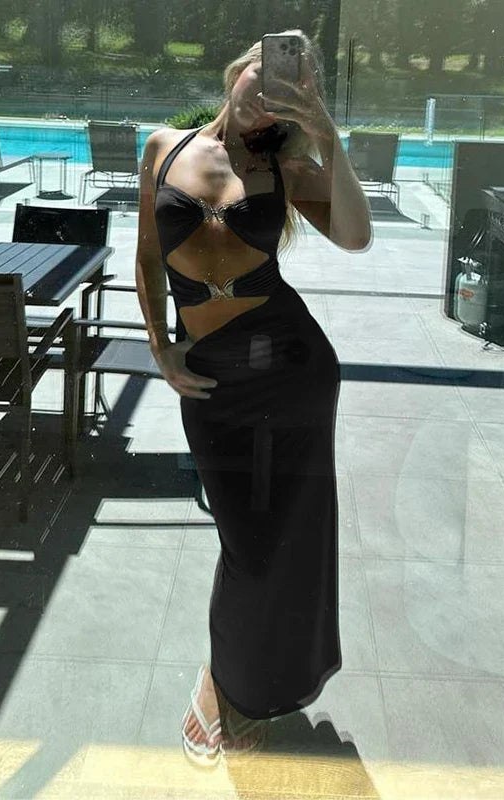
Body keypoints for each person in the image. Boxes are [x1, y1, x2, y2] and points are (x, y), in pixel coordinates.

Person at [134, 29, 372, 765]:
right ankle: (231, 678)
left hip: (291, 367)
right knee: (245, 539)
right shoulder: (163, 148)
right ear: (237, 71)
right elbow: (147, 255)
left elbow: (356, 236)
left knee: (287, 536)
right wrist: (160, 346)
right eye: (260, 81)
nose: (264, 100)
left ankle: (232, 686)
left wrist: (327, 135)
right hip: (212, 374)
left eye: (284, 95)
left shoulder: (287, 166)